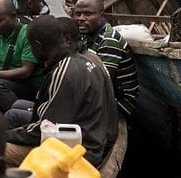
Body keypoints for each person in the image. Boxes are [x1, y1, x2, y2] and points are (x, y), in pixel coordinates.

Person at [6, 15, 118, 167]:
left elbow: (45, 130)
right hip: (94, 137)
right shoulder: (85, 58)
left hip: (79, 152)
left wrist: (4, 135)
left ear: (38, 45)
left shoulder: (65, 71)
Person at [72, 0, 139, 118]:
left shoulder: (109, 40)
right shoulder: (85, 34)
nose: (81, 18)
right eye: (77, 14)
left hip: (119, 102)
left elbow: (102, 82)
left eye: (88, 14)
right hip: (101, 95)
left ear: (101, 15)